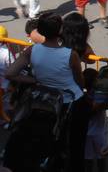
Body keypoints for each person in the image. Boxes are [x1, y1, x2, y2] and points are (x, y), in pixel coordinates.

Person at [5, 12, 88, 170]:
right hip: (70, 103)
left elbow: (10, 73)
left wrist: (34, 80)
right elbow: (79, 81)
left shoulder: (33, 50)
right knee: (75, 144)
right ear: (59, 31)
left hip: (42, 102)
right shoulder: (70, 55)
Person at [83, 68, 108, 172]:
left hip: (86, 132)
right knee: (101, 158)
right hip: (100, 133)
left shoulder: (82, 96)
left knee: (88, 159)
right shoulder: (100, 97)